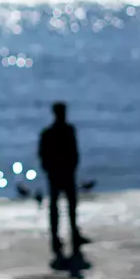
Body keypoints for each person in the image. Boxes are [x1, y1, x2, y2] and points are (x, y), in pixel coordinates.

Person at [39, 102, 89, 269]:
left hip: (63, 173)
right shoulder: (57, 132)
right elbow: (44, 154)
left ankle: (67, 235)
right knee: (60, 207)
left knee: (66, 206)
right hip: (61, 174)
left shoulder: (56, 131)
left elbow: (73, 152)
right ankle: (59, 237)